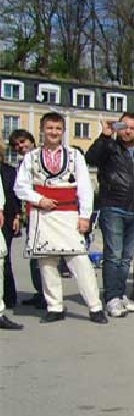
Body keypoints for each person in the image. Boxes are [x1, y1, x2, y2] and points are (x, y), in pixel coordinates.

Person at [14, 112, 107, 324]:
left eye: (57, 128)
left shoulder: (74, 155)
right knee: (47, 262)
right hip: (43, 214)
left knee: (80, 261)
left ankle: (95, 306)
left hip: (69, 214)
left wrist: (85, 217)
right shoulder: (32, 157)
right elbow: (20, 186)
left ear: (63, 131)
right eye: (49, 128)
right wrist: (38, 199)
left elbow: (85, 187)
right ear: (42, 130)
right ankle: (54, 306)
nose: (53, 132)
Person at [86, 112, 134, 317]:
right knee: (114, 255)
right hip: (113, 206)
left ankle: (119, 294)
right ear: (118, 127)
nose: (128, 131)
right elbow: (90, 158)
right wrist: (105, 136)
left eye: (132, 128)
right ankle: (112, 297)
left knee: (126, 257)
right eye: (124, 127)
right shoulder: (109, 148)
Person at [7, 130, 46, 309]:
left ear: (31, 140)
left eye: (23, 142)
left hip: (46, 211)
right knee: (34, 255)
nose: (20, 147)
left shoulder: (43, 157)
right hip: (31, 213)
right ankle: (41, 292)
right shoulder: (22, 164)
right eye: (16, 145)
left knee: (45, 255)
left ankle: (47, 294)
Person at [2, 136, 23, 310]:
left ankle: (9, 297)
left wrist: (17, 215)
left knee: (5, 258)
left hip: (7, 217)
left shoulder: (8, 171)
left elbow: (14, 195)